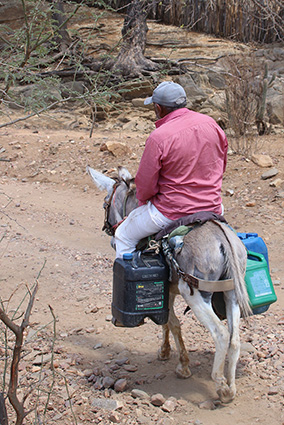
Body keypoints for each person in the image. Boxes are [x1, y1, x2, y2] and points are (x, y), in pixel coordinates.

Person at [114, 81, 228, 259]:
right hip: (213, 207)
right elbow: (221, 164)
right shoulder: (211, 124)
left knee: (123, 235)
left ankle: (129, 285)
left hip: (171, 212)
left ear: (158, 108)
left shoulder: (159, 137)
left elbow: (145, 187)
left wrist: (144, 200)